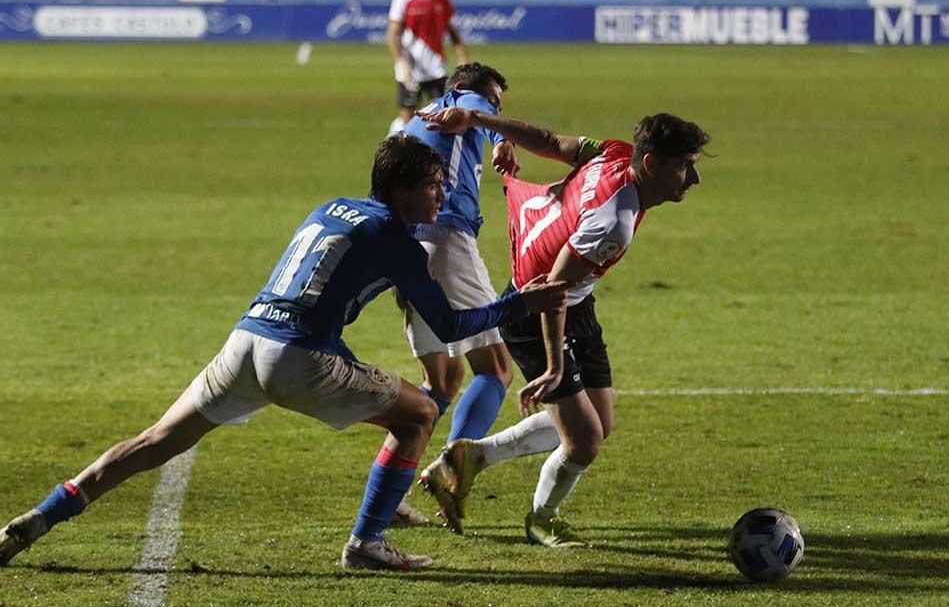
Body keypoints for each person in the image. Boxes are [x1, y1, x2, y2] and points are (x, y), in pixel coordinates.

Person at [0, 135, 566, 571]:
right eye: (434, 185)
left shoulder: (336, 208)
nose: (442, 195)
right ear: (401, 191)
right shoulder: (396, 242)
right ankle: (367, 541)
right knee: (419, 413)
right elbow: (450, 323)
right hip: (296, 355)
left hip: (246, 340)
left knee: (153, 442)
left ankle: (42, 516)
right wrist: (520, 303)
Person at [417, 107, 711, 545]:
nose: (693, 178)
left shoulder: (613, 154)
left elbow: (551, 142)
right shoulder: (614, 223)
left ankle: (470, 458)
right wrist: (554, 366)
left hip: (575, 303)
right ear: (651, 165)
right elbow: (552, 288)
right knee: (585, 441)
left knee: (598, 423)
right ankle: (542, 519)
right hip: (535, 313)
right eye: (685, 166)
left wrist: (480, 119)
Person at [386, 63, 519, 531]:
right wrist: (503, 138)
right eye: (495, 101)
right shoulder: (460, 104)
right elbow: (476, 106)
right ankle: (452, 471)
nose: (496, 111)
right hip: (446, 242)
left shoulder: (413, 126)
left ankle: (389, 497)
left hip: (407, 245)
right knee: (497, 368)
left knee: (442, 383)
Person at [387, 0, 469, 134]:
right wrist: (400, 62)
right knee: (407, 117)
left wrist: (462, 57)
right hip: (410, 69)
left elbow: (452, 32)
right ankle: (397, 144)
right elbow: (392, 35)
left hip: (436, 68)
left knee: (442, 115)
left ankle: (436, 156)